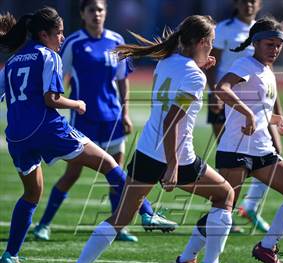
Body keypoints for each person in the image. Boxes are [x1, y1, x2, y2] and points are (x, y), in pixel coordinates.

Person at [63, 15, 239, 263]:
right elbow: (172, 122)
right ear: (203, 42)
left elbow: (174, 98)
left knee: (120, 217)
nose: (212, 47)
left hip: (146, 150)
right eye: (212, 42)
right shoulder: (194, 75)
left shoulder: (167, 62)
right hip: (177, 156)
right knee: (225, 194)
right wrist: (173, 165)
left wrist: (200, 67)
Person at [0, 7, 137, 263]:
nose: (62, 38)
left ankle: (10, 255)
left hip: (16, 136)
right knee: (109, 163)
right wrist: (77, 103)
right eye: (58, 33)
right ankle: (147, 212)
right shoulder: (48, 55)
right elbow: (52, 99)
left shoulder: (13, 61)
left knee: (31, 194)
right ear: (44, 34)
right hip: (46, 129)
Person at [32, 0, 177, 243]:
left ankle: (118, 226)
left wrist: (125, 112)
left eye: (100, 10)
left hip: (111, 118)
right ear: (83, 14)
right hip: (84, 119)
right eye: (91, 10)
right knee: (72, 174)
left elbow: (122, 80)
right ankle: (43, 225)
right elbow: (59, 76)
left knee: (117, 175)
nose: (96, 14)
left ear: (106, 13)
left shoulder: (115, 40)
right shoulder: (73, 43)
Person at [178, 16, 283, 263]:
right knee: (222, 209)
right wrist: (248, 115)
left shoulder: (267, 71)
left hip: (261, 150)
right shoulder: (245, 64)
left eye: (278, 45)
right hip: (236, 151)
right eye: (269, 44)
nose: (275, 49)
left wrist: (277, 120)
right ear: (256, 43)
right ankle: (187, 259)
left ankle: (267, 247)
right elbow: (221, 88)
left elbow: (259, 110)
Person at [206, 0, 283, 233]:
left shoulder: (266, 30)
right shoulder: (223, 29)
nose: (248, 4)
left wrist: (278, 112)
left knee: (276, 152)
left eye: (253, 1)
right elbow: (214, 66)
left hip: (260, 104)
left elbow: (268, 74)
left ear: (259, 4)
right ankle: (223, 213)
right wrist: (215, 95)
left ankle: (249, 207)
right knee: (232, 156)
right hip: (230, 100)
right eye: (244, 0)